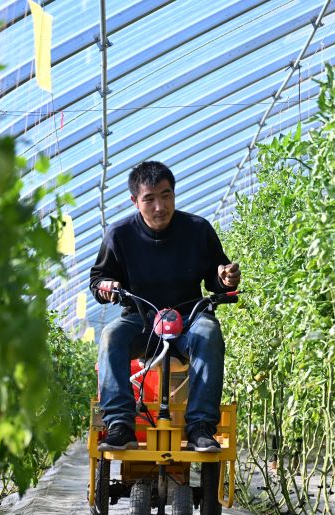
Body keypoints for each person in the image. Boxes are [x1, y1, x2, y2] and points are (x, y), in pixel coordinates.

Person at [89, 161, 240, 453]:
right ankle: (120, 424)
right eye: (149, 199)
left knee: (209, 333)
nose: (160, 207)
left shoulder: (198, 230)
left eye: (166, 195)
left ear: (174, 193)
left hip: (189, 318)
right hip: (140, 320)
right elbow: (98, 279)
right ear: (135, 201)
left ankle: (200, 427)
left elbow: (217, 276)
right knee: (111, 336)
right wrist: (107, 287)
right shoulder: (119, 235)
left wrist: (225, 278)